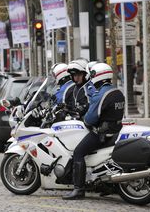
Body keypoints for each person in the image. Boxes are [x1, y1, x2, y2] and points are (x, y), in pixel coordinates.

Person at [63, 63, 125, 200]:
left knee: (78, 152)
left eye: (92, 75)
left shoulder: (100, 94)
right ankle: (105, 185)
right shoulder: (117, 92)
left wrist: (84, 118)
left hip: (102, 134)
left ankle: (78, 189)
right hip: (115, 130)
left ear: (98, 76)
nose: (90, 78)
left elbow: (90, 120)